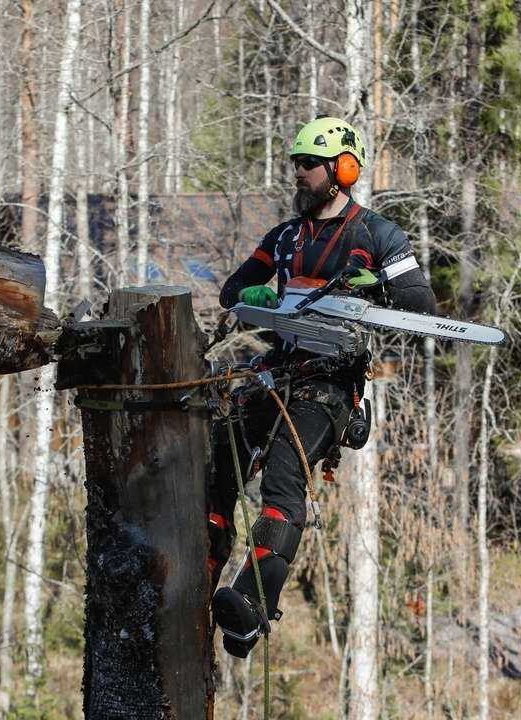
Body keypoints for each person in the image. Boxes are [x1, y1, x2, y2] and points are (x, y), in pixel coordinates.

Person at [208, 116, 436, 658]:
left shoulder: (378, 235)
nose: (299, 176)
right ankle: (199, 575)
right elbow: (234, 287)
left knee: (284, 478)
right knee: (218, 464)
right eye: (296, 166)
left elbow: (422, 307)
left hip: (331, 385)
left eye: (308, 165)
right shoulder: (285, 237)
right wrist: (255, 298)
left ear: (342, 170)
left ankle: (252, 606)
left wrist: (371, 288)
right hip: (277, 371)